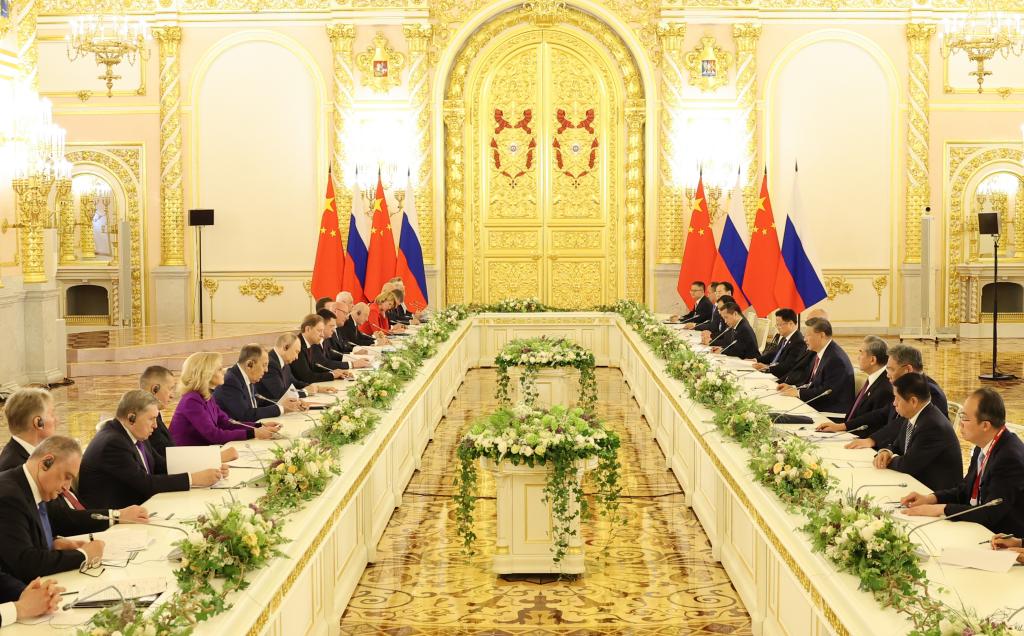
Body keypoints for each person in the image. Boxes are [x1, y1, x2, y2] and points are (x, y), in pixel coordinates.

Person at [0, 388, 150, 528]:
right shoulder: (15, 466)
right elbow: (57, 518)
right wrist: (116, 516)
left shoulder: (43, 453)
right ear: (38, 422)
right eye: (52, 414)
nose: (57, 420)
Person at [901, 388, 1024, 538]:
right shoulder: (983, 444)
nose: (960, 424)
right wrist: (931, 498)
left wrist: (941, 509)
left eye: (965, 418)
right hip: (979, 527)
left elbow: (990, 513)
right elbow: (965, 490)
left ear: (985, 425)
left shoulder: (1009, 458)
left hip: (1001, 538)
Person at [78, 391, 226, 509]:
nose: (155, 425)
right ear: (131, 418)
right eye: (151, 419)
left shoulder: (135, 433)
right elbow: (145, 484)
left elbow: (162, 465)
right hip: (113, 519)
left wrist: (210, 466)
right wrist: (194, 479)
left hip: (139, 505)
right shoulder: (113, 443)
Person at [0, 436, 105, 581]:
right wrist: (83, 555)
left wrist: (52, 543)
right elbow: (26, 563)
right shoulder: (8, 496)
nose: (67, 487)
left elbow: (24, 536)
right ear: (46, 463)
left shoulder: (33, 487)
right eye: (67, 477)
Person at [844, 343, 949, 450]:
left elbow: (902, 424)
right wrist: (845, 426)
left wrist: (872, 440)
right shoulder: (906, 387)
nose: (887, 375)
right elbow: (883, 413)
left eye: (891, 369)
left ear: (908, 369)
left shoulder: (929, 391)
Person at [871, 373, 961, 491]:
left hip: (934, 492)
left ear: (913, 401)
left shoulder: (932, 426)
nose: (894, 403)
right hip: (916, 482)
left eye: (897, 398)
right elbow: (897, 446)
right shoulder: (915, 414)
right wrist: (886, 452)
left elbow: (907, 465)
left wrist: (887, 461)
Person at [171, 352, 281, 446]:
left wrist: (260, 426)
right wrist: (254, 433)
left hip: (204, 451)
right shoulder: (191, 400)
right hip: (187, 456)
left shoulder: (206, 396)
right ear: (206, 374)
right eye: (219, 369)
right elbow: (214, 435)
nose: (224, 371)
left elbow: (226, 423)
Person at [140, 366, 239, 463]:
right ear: (155, 389)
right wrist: (216, 457)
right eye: (170, 389)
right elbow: (166, 462)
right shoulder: (144, 420)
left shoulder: (154, 415)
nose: (172, 395)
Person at [816, 336, 893, 436]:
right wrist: (840, 426)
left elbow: (874, 424)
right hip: (846, 431)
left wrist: (841, 428)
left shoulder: (885, 388)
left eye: (861, 353)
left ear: (872, 360)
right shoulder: (873, 379)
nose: (858, 357)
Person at [778, 317, 854, 416]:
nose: (804, 339)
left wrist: (798, 393)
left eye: (808, 335)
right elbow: (812, 383)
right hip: (817, 405)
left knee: (782, 415)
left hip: (830, 412)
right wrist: (793, 387)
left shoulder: (836, 359)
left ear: (821, 335)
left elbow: (826, 392)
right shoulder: (820, 353)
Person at [214, 345, 302, 423]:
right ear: (249, 364)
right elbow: (246, 415)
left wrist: (286, 403)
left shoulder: (247, 376)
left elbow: (259, 402)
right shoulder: (230, 382)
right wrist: (281, 408)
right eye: (264, 365)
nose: (266, 370)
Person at [257, 332, 334, 401]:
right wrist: (305, 392)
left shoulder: (283, 360)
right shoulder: (270, 363)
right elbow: (280, 394)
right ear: (286, 347)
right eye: (296, 352)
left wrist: (317, 388)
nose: (297, 357)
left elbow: (294, 382)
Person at [292, 314, 352, 384]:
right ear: (308, 329)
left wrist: (334, 372)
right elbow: (307, 377)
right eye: (319, 331)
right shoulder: (298, 345)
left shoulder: (310, 343)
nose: (322, 335)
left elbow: (315, 368)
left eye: (322, 331)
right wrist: (332, 375)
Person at [751, 308, 807, 378]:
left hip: (781, 377)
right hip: (773, 372)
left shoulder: (798, 342)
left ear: (791, 324)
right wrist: (756, 360)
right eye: (777, 325)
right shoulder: (785, 337)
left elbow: (788, 366)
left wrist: (767, 368)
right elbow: (774, 354)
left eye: (780, 325)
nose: (778, 327)